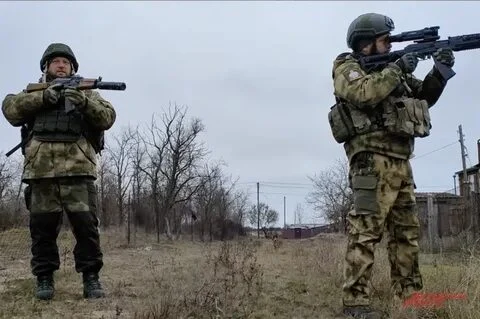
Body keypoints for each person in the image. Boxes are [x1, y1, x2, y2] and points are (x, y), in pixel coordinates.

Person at [328, 13, 455, 318]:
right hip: (370, 162)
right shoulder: (348, 67)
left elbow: (423, 95)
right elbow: (362, 93)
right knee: (366, 231)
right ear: (366, 42)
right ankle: (355, 303)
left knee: (406, 232)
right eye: (385, 40)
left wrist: (440, 69)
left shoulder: (389, 70)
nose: (388, 46)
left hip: (400, 162)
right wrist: (397, 68)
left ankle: (410, 296)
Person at [1, 43, 116, 300]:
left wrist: (85, 103)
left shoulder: (88, 94)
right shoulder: (33, 92)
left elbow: (107, 118)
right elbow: (10, 108)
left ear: (73, 67)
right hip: (40, 173)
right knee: (42, 230)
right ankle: (44, 279)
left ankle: (91, 278)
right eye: (56, 62)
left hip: (79, 170)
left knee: (86, 228)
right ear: (46, 67)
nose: (61, 65)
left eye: (66, 62)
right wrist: (43, 98)